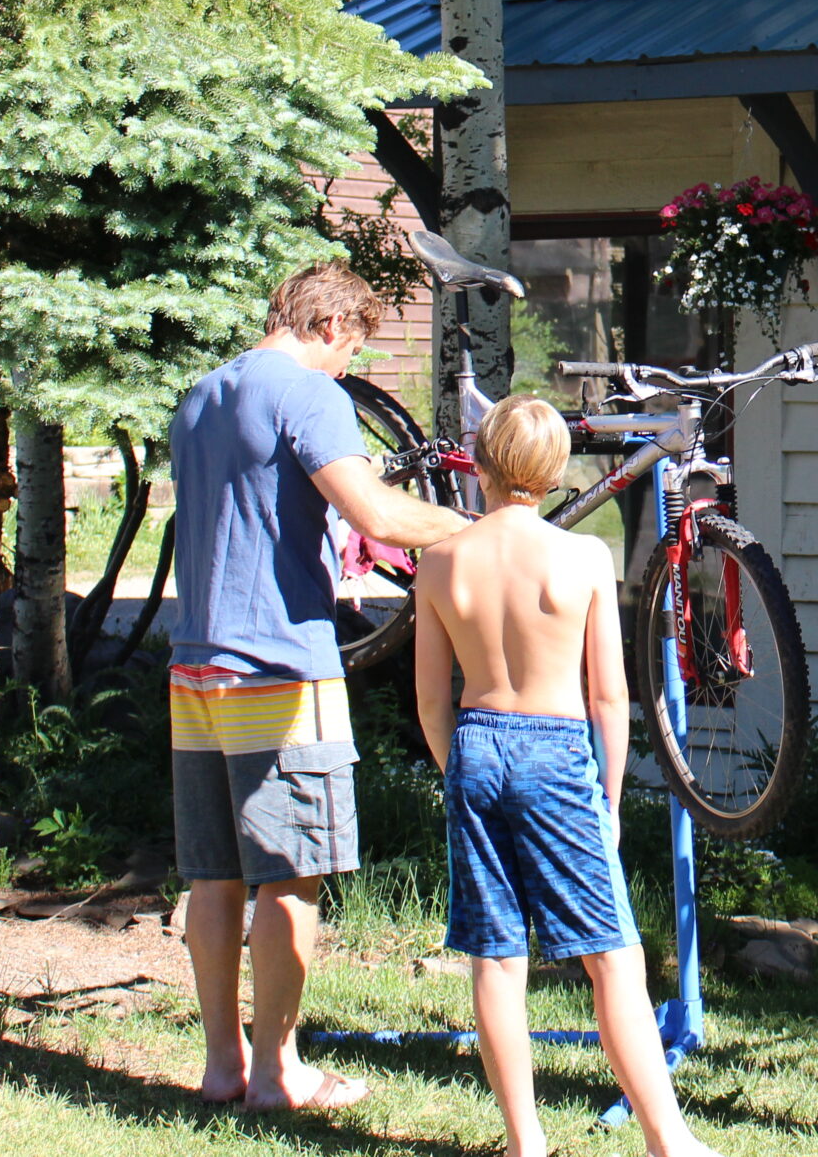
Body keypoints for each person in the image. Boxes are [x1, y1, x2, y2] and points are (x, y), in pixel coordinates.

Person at [167, 262, 470, 1112]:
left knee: (215, 877)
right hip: (280, 670)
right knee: (291, 876)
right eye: (353, 352)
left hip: (194, 666)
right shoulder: (308, 390)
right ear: (333, 326)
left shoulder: (199, 397)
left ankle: (222, 1063)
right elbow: (374, 512)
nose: (349, 371)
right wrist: (476, 525)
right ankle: (279, 1071)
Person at [413, 394, 720, 1157]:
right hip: (556, 748)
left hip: (478, 740)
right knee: (612, 954)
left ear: (480, 463)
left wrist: (461, 771)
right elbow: (610, 694)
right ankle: (668, 1137)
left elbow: (429, 699)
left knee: (498, 952)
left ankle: (525, 1141)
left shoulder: (442, 559)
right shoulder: (582, 557)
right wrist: (607, 798)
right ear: (554, 474)